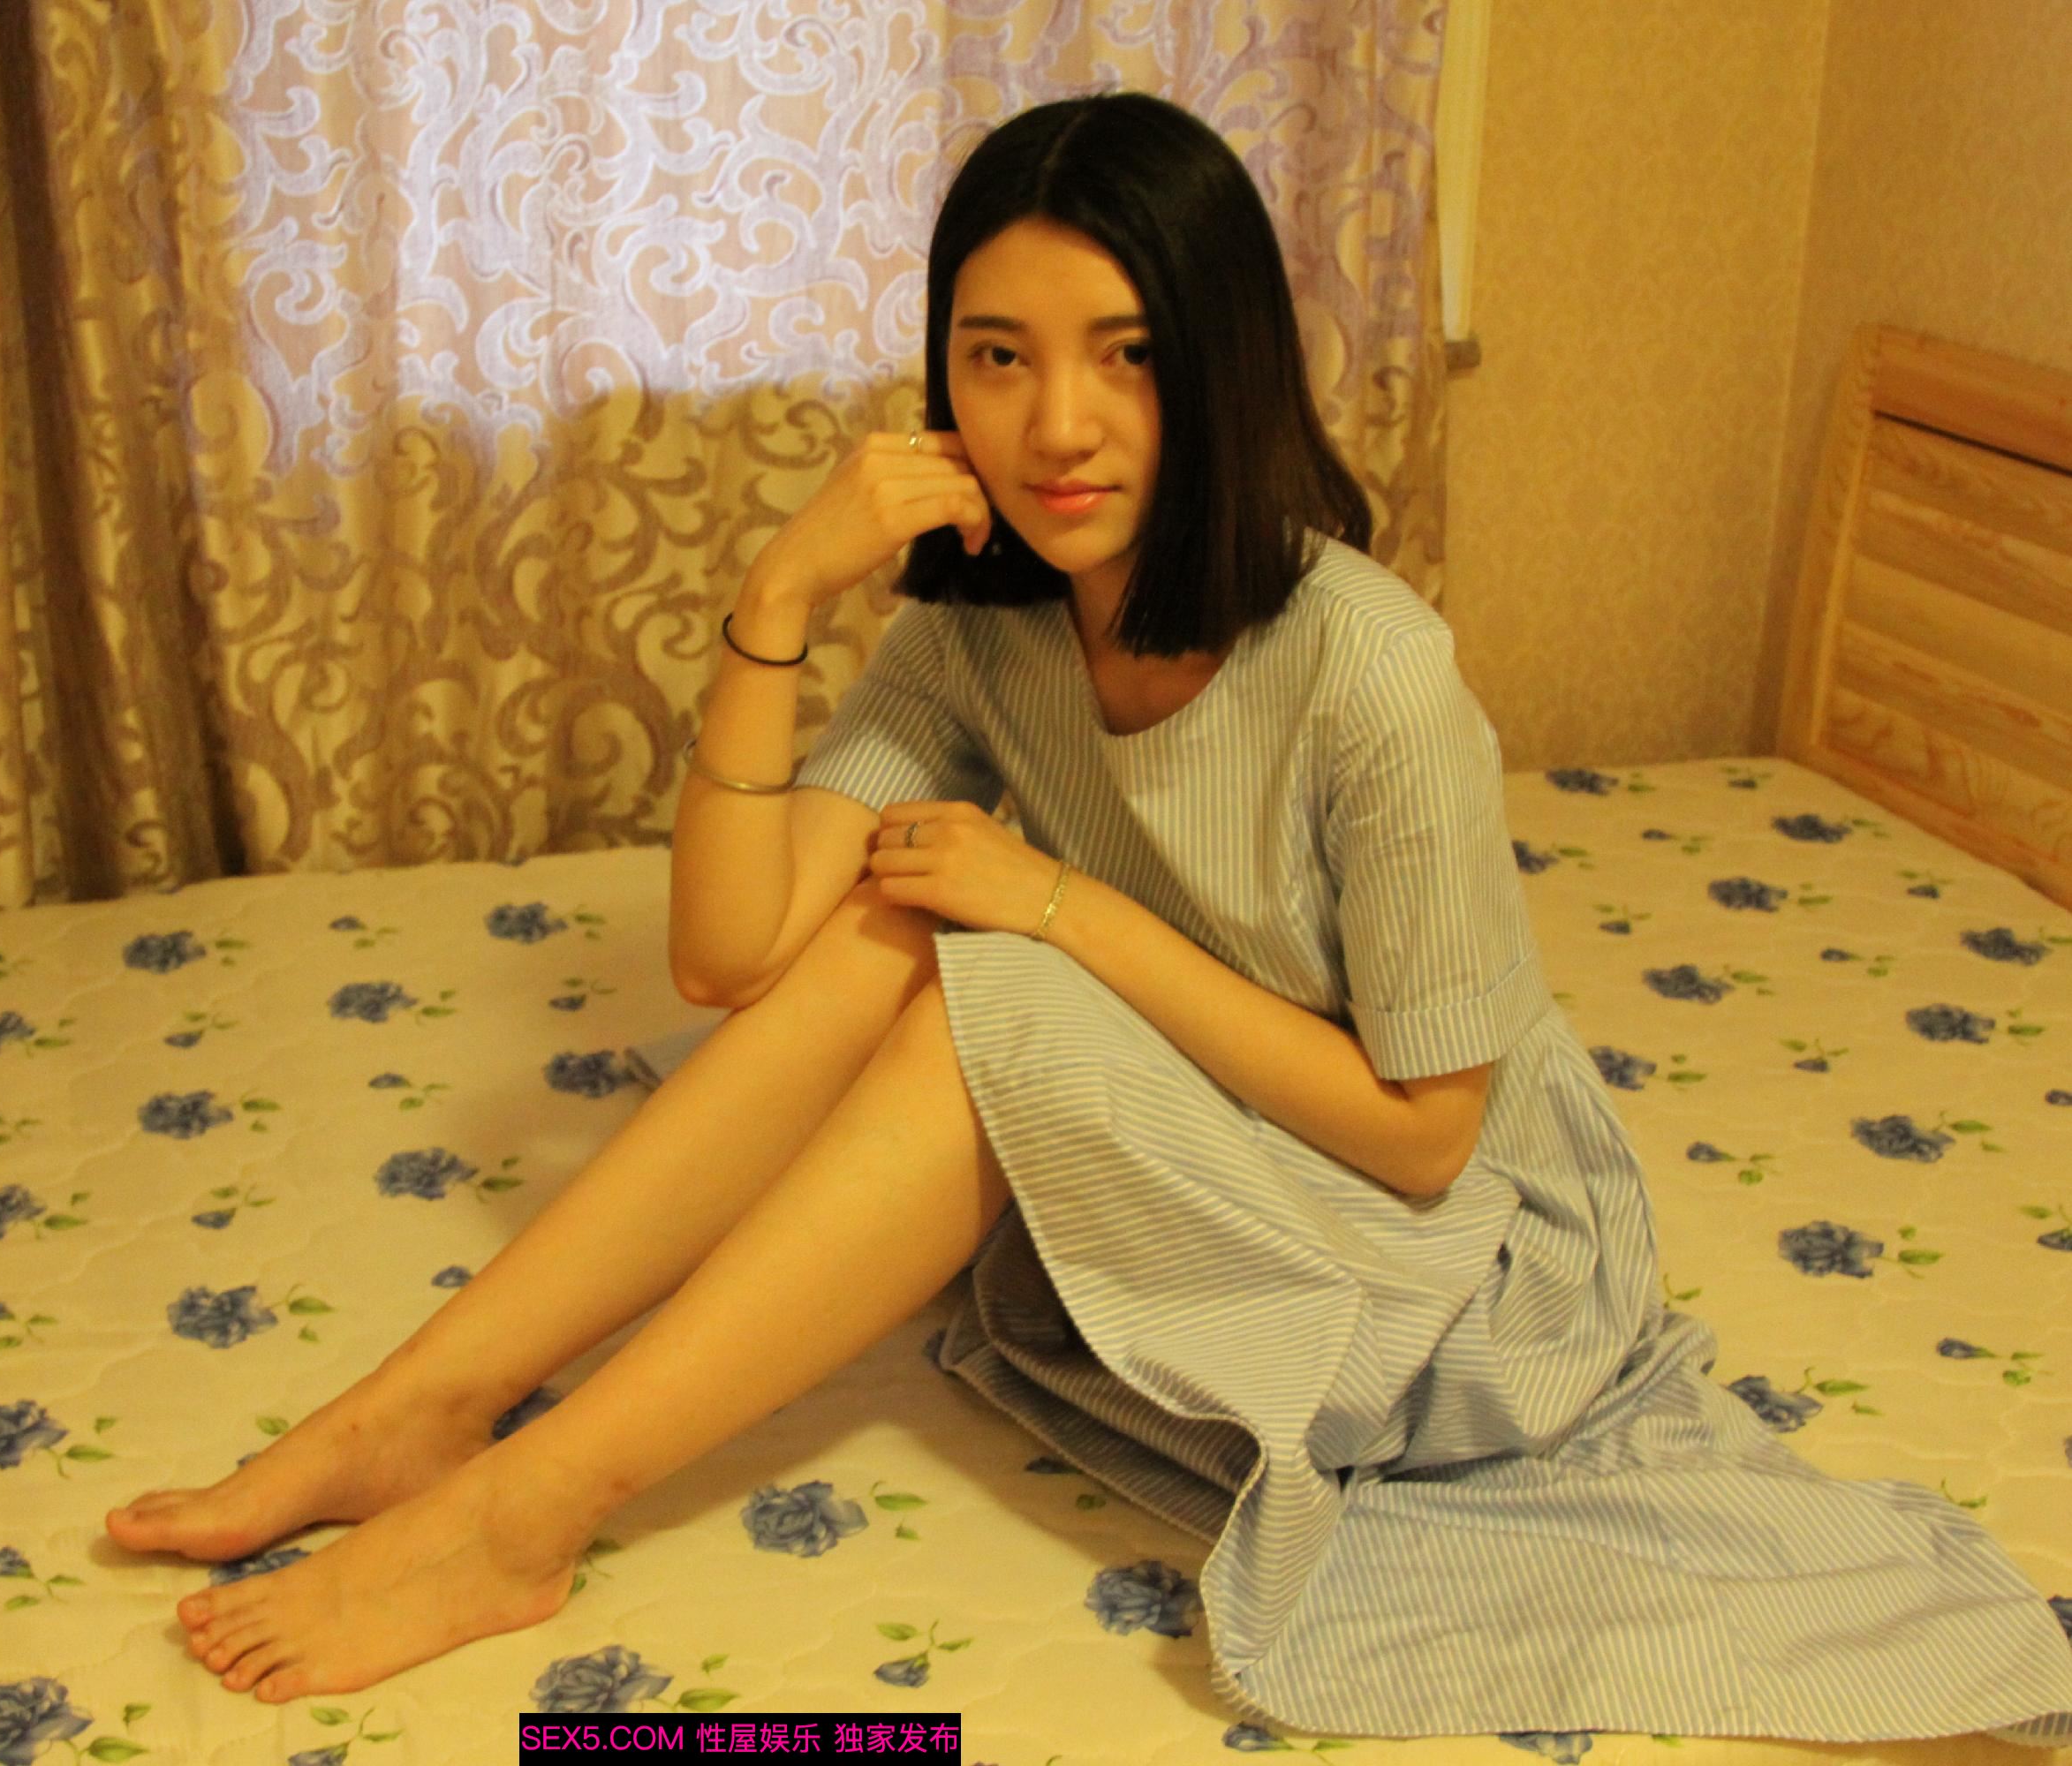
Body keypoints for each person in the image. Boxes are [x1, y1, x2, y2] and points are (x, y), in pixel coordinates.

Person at [102, 93, 2072, 1743]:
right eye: (998, 356)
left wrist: (1051, 907)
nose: (1057, 424)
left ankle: (517, 1512)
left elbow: (1425, 1136)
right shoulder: (987, 631)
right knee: (888, 932)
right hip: (1237, 1163)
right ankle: (428, 1404)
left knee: (984, 981)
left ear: (1219, 363)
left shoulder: (1370, 675)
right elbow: (728, 955)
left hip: (1462, 1271)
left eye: (1126, 354)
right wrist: (778, 594)